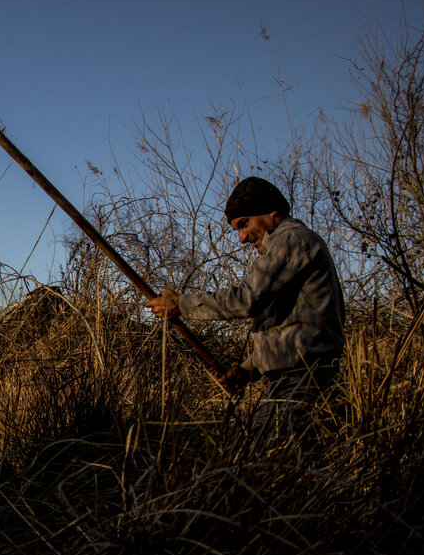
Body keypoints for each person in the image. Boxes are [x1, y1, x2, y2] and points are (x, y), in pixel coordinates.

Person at [146, 176, 345, 434]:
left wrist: (181, 304)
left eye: (244, 224)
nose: (241, 238)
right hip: (296, 382)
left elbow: (246, 299)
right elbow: (289, 328)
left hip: (302, 383)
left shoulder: (292, 240)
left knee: (252, 453)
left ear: (273, 213)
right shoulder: (293, 246)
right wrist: (246, 371)